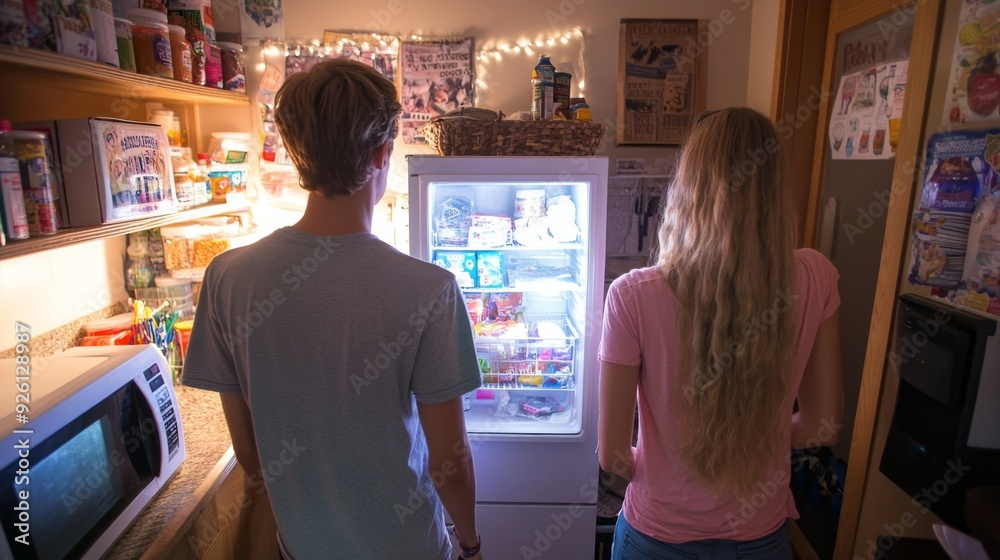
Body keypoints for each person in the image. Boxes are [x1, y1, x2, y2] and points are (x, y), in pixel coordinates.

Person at [181, 58, 485, 560]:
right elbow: (449, 465)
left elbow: (251, 455)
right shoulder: (430, 289)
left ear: (296, 154)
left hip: (301, 547)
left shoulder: (227, 278)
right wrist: (471, 545)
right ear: (382, 152)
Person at [598, 107, 843, 559]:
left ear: (688, 188)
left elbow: (612, 455)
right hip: (760, 539)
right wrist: (761, 436)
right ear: (774, 187)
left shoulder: (633, 295)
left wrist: (662, 469)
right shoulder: (816, 276)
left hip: (657, 537)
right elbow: (823, 426)